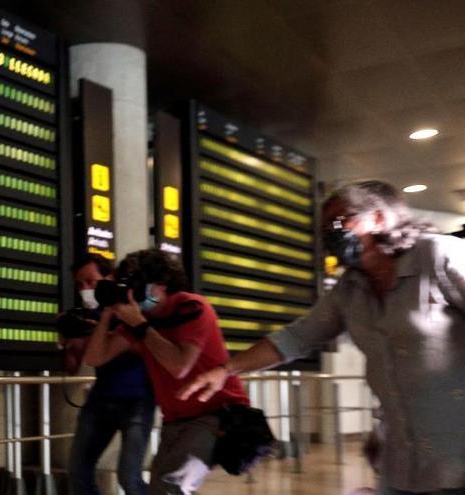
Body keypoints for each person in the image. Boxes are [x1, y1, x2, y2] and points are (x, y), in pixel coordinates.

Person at [179, 180, 465, 495]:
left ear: (380, 219)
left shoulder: (439, 257)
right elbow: (296, 338)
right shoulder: (349, 289)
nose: (332, 232)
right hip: (401, 464)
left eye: (342, 220)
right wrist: (226, 370)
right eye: (326, 226)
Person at [83, 249, 250, 495]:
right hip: (174, 419)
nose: (133, 293)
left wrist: (140, 325)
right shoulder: (141, 319)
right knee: (160, 489)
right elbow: (95, 357)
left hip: (216, 415)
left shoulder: (192, 307)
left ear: (161, 285)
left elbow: (179, 366)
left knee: (171, 487)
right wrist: (109, 313)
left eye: (138, 285)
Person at [63, 254, 155, 495]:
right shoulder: (89, 317)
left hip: (138, 401)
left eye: (91, 282)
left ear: (109, 278)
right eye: (80, 284)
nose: (86, 289)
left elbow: (146, 347)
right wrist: (66, 340)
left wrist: (108, 324)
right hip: (100, 400)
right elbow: (74, 365)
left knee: (129, 477)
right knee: (78, 471)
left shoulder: (135, 308)